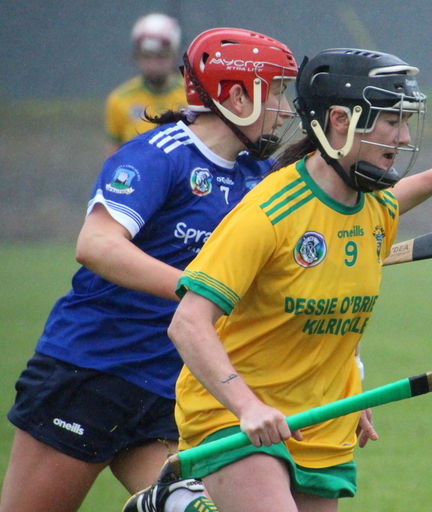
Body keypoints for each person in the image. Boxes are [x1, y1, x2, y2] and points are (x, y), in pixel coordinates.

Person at [124, 48, 432, 512]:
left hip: (320, 421)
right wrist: (247, 406)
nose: (403, 136)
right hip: (234, 416)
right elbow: (187, 322)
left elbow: (340, 300)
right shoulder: (268, 212)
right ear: (339, 120)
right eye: (391, 121)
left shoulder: (376, 210)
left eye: (405, 121)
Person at [0, 27, 300, 512]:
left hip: (170, 385)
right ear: (237, 95)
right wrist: (197, 290)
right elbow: (96, 245)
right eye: (277, 91)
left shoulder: (256, 177)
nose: (285, 108)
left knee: (189, 508)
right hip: (91, 371)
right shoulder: (161, 154)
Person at [105, 13, 188, 156]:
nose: (153, 65)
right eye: (146, 56)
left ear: (174, 55)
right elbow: (114, 156)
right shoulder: (119, 99)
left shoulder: (192, 96)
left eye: (161, 56)